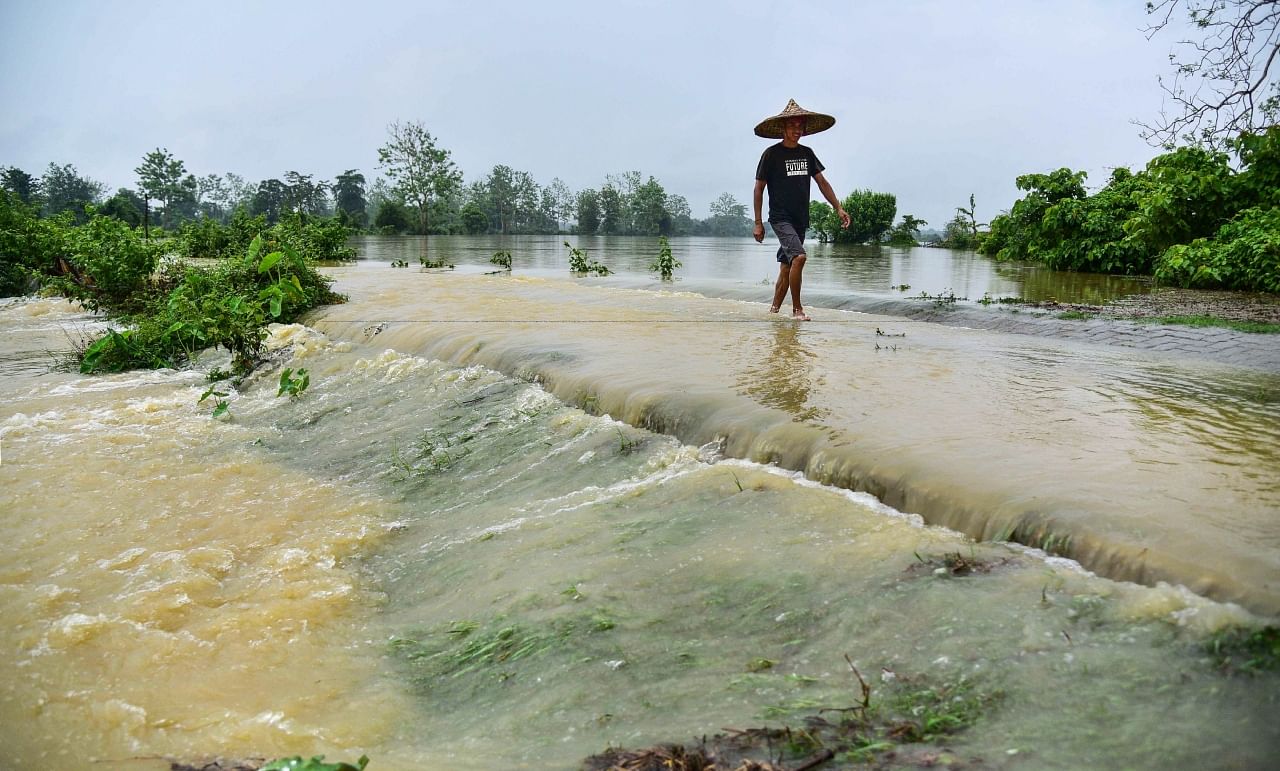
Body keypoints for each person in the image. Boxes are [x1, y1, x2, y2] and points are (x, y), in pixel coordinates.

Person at [752, 99, 851, 321]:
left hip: (799, 219)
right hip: (780, 217)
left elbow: (822, 182)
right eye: (792, 126)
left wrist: (838, 208)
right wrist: (758, 222)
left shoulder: (807, 153)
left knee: (787, 267)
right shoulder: (771, 154)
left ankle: (773, 313)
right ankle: (797, 310)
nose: (796, 130)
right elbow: (759, 188)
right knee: (799, 257)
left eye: (800, 126)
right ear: (783, 128)